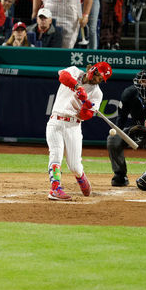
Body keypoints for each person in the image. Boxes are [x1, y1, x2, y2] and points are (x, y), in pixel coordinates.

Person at [46, 61, 112, 200]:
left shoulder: (97, 93)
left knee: (75, 166)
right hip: (55, 121)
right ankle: (55, 188)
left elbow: (86, 116)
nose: (98, 80)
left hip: (73, 125)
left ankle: (81, 177)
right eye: (98, 76)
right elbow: (62, 76)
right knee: (56, 155)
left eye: (101, 79)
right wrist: (77, 87)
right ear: (93, 69)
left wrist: (85, 105)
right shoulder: (74, 71)